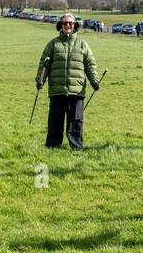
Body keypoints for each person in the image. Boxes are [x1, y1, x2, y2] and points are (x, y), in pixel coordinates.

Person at [35, 13, 99, 150]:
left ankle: (76, 147)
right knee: (55, 121)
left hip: (77, 90)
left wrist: (94, 80)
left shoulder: (82, 44)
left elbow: (90, 64)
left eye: (71, 23)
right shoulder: (53, 44)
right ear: (60, 25)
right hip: (57, 90)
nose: (68, 25)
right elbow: (44, 64)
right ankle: (52, 146)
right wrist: (40, 80)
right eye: (65, 23)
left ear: (75, 26)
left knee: (76, 121)